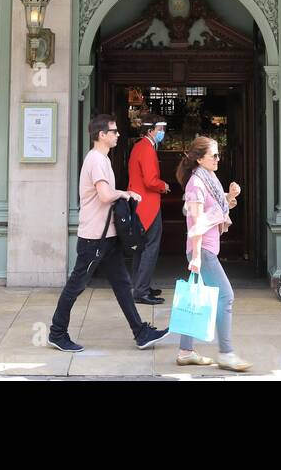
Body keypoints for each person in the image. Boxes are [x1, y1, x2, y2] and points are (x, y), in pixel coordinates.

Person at [48, 113, 169, 353]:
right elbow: (104, 196)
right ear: (102, 135)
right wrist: (125, 193)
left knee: (123, 284)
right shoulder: (96, 160)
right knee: (76, 285)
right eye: (114, 131)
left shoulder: (103, 159)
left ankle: (141, 332)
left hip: (106, 235)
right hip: (94, 237)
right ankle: (57, 332)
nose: (118, 134)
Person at [176, 135, 251, 371]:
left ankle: (186, 351)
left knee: (196, 300)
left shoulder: (209, 178)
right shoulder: (196, 184)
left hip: (207, 248)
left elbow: (217, 209)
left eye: (219, 154)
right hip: (203, 250)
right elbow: (196, 223)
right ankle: (227, 353)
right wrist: (196, 257)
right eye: (214, 155)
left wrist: (230, 196)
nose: (219, 158)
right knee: (226, 297)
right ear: (199, 159)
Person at [127, 117, 169, 305]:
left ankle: (140, 286)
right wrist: (164, 185)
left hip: (139, 205)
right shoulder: (147, 149)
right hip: (148, 206)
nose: (162, 132)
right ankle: (142, 291)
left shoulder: (139, 146)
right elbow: (151, 181)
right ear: (151, 130)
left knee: (141, 248)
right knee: (151, 247)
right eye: (160, 128)